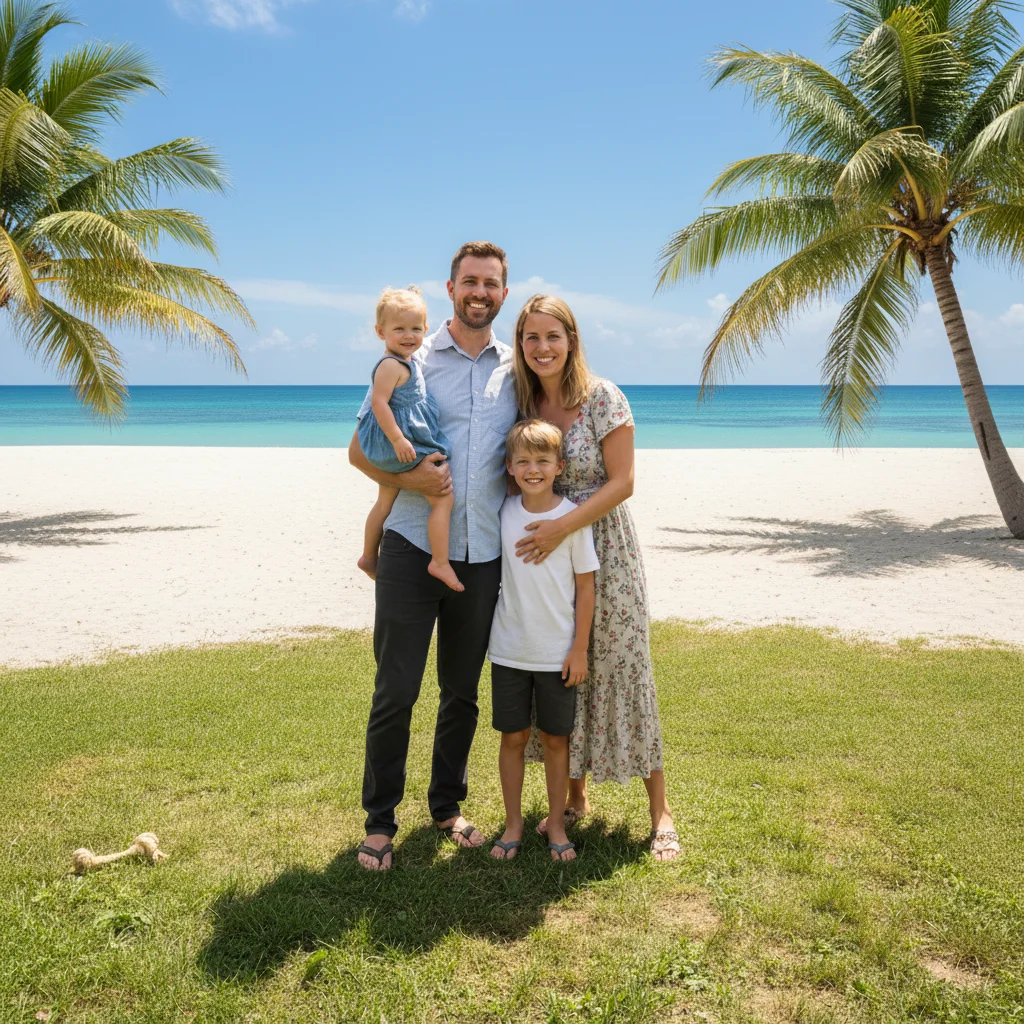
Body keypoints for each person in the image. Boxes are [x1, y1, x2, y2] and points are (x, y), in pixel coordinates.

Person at [348, 241, 517, 872]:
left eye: (491, 283)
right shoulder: (410, 358)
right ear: (451, 289)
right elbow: (358, 451)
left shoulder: (517, 366)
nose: (480, 291)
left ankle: (446, 806)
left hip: (483, 556)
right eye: (469, 281)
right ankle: (379, 822)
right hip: (411, 547)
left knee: (462, 693)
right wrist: (414, 480)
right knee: (396, 689)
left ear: (504, 291)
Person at [511, 294, 680, 862]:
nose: (542, 348)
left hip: (605, 546)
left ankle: (661, 812)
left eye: (552, 336)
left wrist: (562, 525)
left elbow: (623, 481)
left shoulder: (602, 397)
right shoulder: (525, 402)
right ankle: (573, 800)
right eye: (531, 338)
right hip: (549, 556)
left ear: (571, 340)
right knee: (565, 665)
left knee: (626, 664)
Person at [488, 420, 598, 864]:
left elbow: (586, 588)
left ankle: (556, 823)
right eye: (524, 461)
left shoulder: (572, 519)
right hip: (509, 649)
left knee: (556, 739)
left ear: (559, 466)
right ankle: (512, 824)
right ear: (510, 468)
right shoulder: (503, 512)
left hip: (557, 654)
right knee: (512, 737)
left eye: (543, 461)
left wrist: (579, 649)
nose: (533, 469)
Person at [356, 286, 462, 592]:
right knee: (443, 498)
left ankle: (367, 556)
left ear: (426, 329)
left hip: (394, 443)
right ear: (380, 332)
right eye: (399, 328)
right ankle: (440, 561)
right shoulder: (391, 365)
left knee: (385, 502)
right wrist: (400, 439)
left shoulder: (409, 361)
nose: (408, 335)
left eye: (416, 328)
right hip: (398, 442)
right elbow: (379, 403)